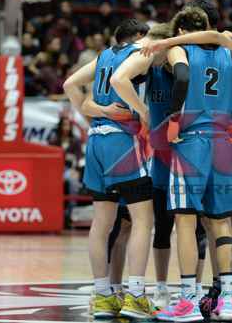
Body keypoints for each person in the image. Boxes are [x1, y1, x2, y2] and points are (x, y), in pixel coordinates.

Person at [155, 6, 232, 322]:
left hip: (192, 141)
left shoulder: (180, 49)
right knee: (221, 221)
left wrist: (173, 120)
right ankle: (226, 300)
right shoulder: (229, 51)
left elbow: (182, 77)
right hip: (224, 143)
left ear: (182, 30)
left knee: (185, 221)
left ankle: (188, 300)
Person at [62, 18, 155, 319]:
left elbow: (69, 85)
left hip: (95, 141)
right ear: (139, 36)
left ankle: (103, 296)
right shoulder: (138, 54)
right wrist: (142, 111)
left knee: (101, 223)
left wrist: (99, 111)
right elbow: (120, 82)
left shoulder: (103, 56)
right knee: (143, 219)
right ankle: (136, 296)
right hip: (122, 141)